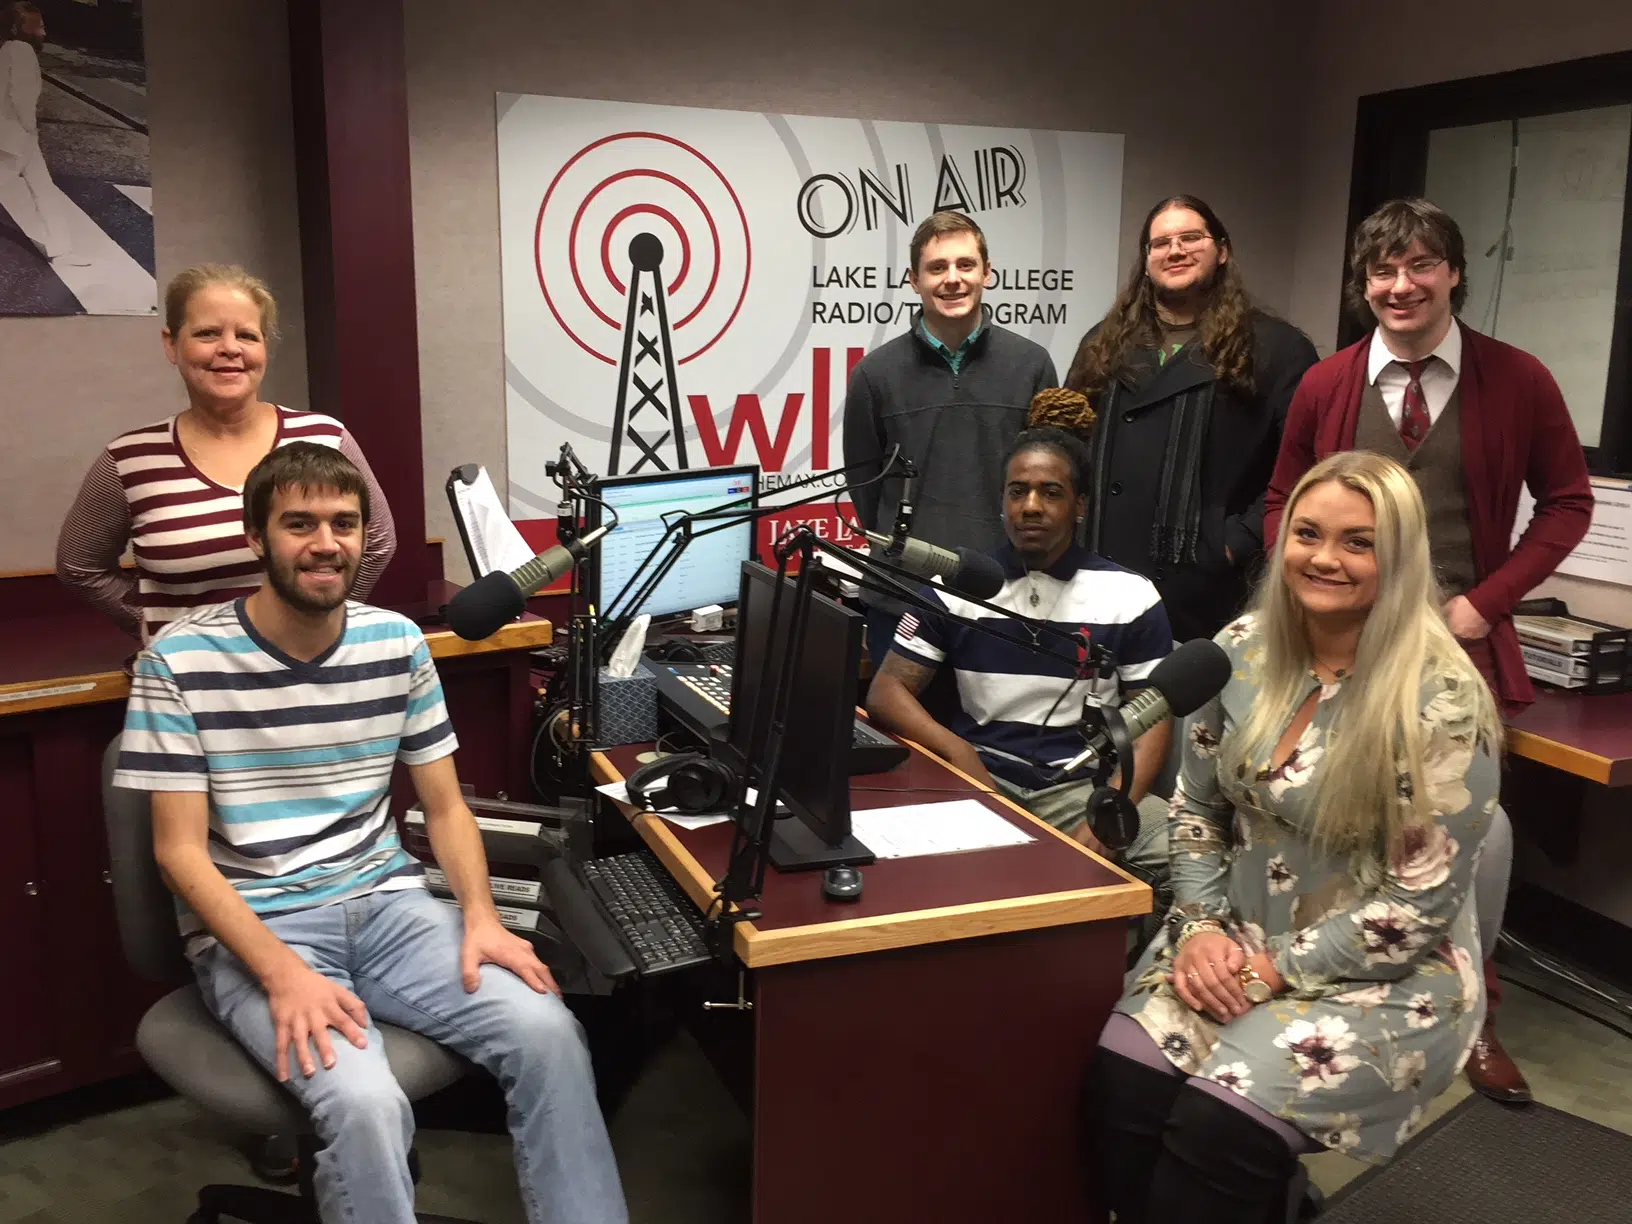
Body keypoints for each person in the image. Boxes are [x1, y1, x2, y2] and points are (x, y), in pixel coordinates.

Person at [112, 443, 627, 1224]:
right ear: (256, 537)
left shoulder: (396, 643)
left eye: (343, 524)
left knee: (549, 1034)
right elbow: (177, 853)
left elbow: (446, 809)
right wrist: (282, 973)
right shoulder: (179, 660)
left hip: (390, 907)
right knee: (364, 1102)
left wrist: (481, 918)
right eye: (300, 524)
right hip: (262, 927)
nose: (326, 543)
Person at [1085, 450, 1502, 1223]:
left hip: (1382, 972)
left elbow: (1412, 910)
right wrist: (1202, 928)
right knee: (1121, 1088)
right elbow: (1197, 806)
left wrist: (1270, 970)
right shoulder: (1241, 647)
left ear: (1400, 558)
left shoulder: (1444, 703)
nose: (1325, 558)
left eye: (1358, 542)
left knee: (1216, 1130)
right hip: (1227, 936)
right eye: (1308, 534)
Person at [1264, 198, 1594, 1104]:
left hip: (1456, 653)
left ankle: (1474, 1016)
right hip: (1336, 646)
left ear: (1453, 274)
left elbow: (1568, 502)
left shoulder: (1519, 380)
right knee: (1327, 818)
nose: (1401, 286)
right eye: (1383, 271)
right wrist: (1311, 583)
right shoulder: (1326, 384)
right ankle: (1334, 985)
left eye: (1420, 266)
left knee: (1471, 837)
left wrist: (1487, 604)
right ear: (1364, 284)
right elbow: (1282, 499)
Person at [865, 425, 1173, 871]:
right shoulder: (957, 585)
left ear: (1080, 505)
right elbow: (887, 690)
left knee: (1180, 855)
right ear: (1002, 502)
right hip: (978, 778)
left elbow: (1154, 719)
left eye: (1051, 493)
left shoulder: (1130, 595)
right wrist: (959, 753)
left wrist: (1114, 805)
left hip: (1080, 790)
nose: (1031, 506)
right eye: (1017, 492)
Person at [58, 264, 397, 645]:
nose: (230, 348)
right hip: (189, 673)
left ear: (264, 348)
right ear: (171, 344)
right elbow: (80, 567)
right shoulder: (129, 460)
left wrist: (324, 619)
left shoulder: (325, 438)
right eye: (208, 333)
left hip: (308, 661)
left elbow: (378, 542)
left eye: (247, 335)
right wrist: (162, 629)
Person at [1064, 195, 1318, 644]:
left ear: (1222, 250)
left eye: (1190, 238)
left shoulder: (1275, 348)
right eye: (1160, 243)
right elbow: (1069, 444)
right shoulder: (1102, 343)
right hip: (1103, 571)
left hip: (1208, 588)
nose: (1175, 250)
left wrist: (1234, 541)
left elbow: (1303, 467)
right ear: (1146, 262)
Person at [843, 209, 1058, 669]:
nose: (953, 279)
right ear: (914, 280)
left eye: (965, 264)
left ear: (987, 273)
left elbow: (1047, 485)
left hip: (1004, 597)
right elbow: (865, 486)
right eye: (937, 267)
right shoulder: (874, 375)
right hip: (901, 597)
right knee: (896, 717)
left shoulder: (1032, 365)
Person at [0, 2, 87, 267]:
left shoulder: (6, 49)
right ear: (21, 28)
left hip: (15, 135)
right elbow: (21, 96)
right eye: (38, 26)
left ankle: (62, 250)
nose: (44, 32)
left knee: (44, 190)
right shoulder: (22, 51)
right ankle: (62, 251)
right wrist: (29, 129)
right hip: (17, 137)